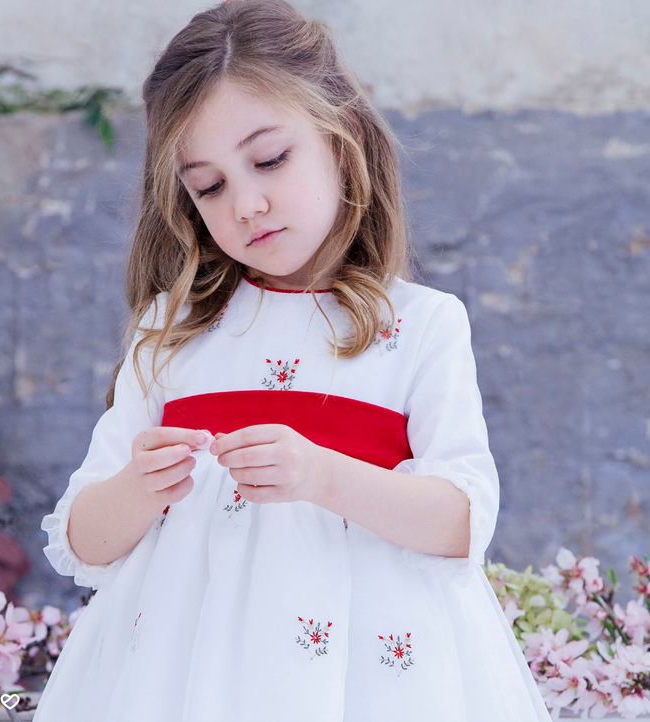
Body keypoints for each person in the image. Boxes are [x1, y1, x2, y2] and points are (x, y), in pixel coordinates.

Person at [34, 1, 553, 720]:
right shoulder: (172, 332)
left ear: (341, 141)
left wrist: (322, 475)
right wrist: (139, 487)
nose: (245, 203)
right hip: (182, 685)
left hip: (367, 682)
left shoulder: (422, 326)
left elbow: (463, 522)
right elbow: (82, 543)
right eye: (209, 185)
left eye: (270, 158)